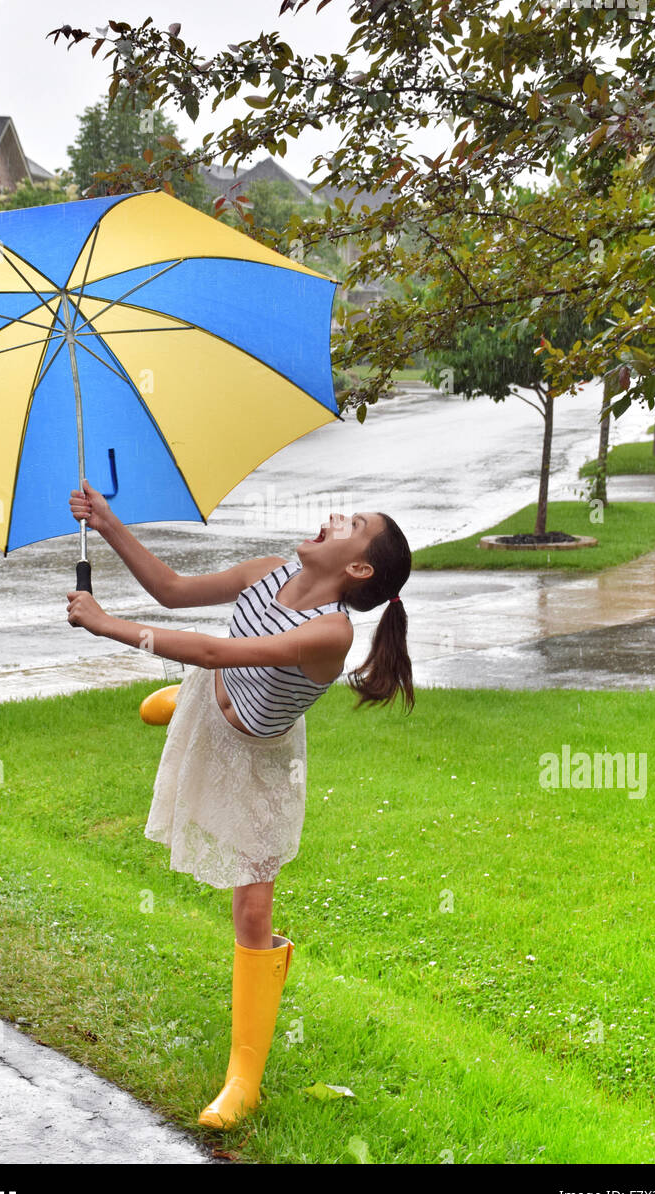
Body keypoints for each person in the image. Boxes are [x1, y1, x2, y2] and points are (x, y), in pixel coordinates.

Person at [66, 478, 414, 1131]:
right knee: (196, 690)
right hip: (217, 694)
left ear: (359, 568)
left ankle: (243, 1081)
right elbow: (171, 591)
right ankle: (184, 705)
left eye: (352, 522)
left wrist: (107, 625)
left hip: (257, 756)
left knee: (252, 907)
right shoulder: (267, 573)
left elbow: (215, 649)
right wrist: (106, 521)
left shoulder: (329, 634)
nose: (333, 514)